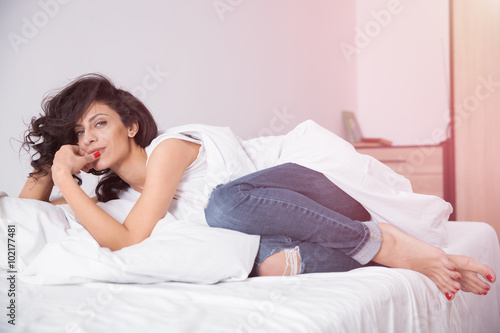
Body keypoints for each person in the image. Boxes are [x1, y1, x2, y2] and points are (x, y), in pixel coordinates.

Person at [19, 73, 495, 301]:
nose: (90, 139)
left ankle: (386, 242)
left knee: (226, 208)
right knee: (259, 262)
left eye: (99, 123)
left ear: (130, 127)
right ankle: (424, 258)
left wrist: (66, 177)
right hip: (296, 224)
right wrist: (54, 165)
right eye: (78, 134)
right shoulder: (121, 198)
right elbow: (26, 216)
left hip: (318, 186)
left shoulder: (170, 149)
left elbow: (128, 240)